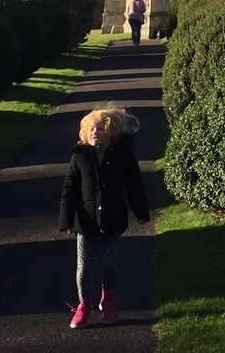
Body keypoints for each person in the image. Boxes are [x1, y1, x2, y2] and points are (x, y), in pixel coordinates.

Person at [57, 107, 149, 328]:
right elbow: (69, 189)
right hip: (86, 220)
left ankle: (108, 300)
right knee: (84, 266)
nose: (94, 132)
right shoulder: (80, 156)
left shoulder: (124, 156)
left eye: (100, 128)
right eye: (90, 129)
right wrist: (66, 220)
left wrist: (141, 213)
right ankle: (84, 304)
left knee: (109, 264)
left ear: (112, 132)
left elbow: (134, 185)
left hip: (112, 218)